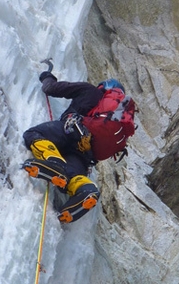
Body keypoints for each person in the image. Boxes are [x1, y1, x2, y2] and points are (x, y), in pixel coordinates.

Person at [22, 69, 126, 223]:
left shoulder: (90, 91)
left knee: (33, 134)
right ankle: (85, 189)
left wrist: (47, 76)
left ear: (103, 87)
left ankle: (55, 164)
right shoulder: (117, 122)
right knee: (72, 177)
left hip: (70, 131)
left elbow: (50, 88)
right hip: (84, 156)